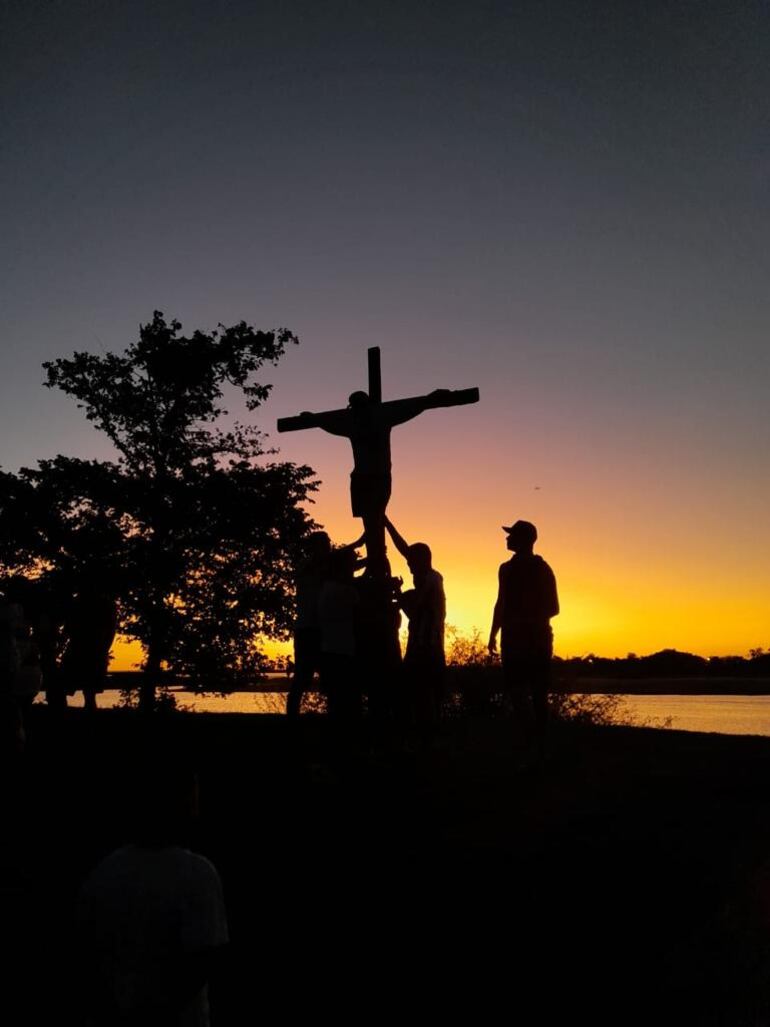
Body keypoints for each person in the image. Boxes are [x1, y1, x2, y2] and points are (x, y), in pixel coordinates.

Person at [76, 751, 228, 1027]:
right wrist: (157, 1013)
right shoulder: (197, 874)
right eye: (193, 795)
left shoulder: (105, 870)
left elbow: (85, 953)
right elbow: (204, 958)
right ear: (182, 803)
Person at [488, 520, 559, 756]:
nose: (507, 539)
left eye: (511, 535)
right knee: (521, 693)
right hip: (518, 638)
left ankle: (537, 746)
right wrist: (493, 635)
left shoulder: (542, 568)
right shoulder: (505, 569)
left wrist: (521, 621)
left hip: (531, 638)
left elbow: (553, 607)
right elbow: (500, 604)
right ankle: (534, 744)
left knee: (535, 695)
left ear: (523, 540)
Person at [286, 531, 364, 716]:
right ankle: (292, 716)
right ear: (315, 547)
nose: (329, 547)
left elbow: (344, 570)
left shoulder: (322, 569)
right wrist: (356, 543)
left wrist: (367, 561)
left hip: (320, 630)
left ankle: (332, 713)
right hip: (307, 629)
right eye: (325, 544)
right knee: (303, 677)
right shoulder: (306, 566)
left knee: (328, 676)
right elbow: (334, 563)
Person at [385, 516, 446, 745]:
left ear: (422, 561)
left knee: (423, 690)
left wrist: (399, 596)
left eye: (412, 563)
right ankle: (427, 733)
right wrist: (388, 524)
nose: (408, 566)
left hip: (426, 645)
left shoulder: (431, 580)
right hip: (423, 643)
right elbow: (404, 549)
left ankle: (428, 735)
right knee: (422, 690)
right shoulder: (429, 577)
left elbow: (415, 611)